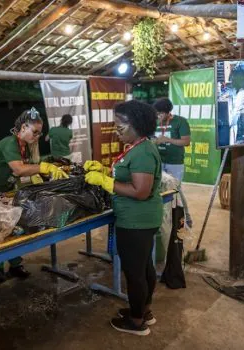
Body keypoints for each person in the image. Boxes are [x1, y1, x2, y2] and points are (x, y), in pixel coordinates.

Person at [84, 100, 162, 336]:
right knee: (144, 267)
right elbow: (128, 174)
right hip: (139, 220)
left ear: (136, 124)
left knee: (135, 273)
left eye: (120, 127)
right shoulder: (138, 146)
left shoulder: (143, 152)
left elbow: (141, 191)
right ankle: (144, 311)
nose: (117, 132)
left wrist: (106, 183)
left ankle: (137, 322)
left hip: (136, 221)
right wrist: (105, 170)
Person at [0, 107, 68, 283]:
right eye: (35, 132)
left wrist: (50, 162)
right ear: (23, 127)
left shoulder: (25, 146)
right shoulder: (9, 143)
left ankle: (16, 264)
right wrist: (44, 168)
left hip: (5, 189)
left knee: (14, 225)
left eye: (40, 133)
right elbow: (19, 169)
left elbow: (32, 164)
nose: (37, 136)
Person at [153, 98, 191, 182]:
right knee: (158, 189)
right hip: (158, 161)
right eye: (157, 113)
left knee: (173, 189)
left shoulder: (180, 121)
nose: (158, 116)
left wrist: (168, 140)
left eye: (161, 113)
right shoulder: (154, 122)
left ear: (168, 112)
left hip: (175, 162)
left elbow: (186, 142)